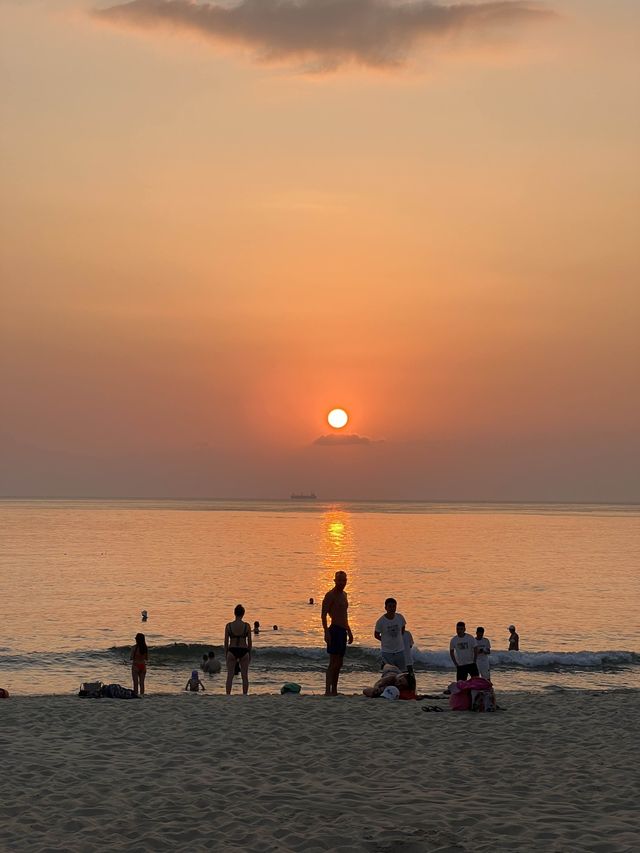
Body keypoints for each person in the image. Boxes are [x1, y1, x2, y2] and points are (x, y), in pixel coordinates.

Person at [321, 570, 353, 696]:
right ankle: (327, 690)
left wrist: (349, 631)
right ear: (335, 581)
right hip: (334, 629)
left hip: (343, 631)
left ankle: (334, 689)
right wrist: (326, 632)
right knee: (333, 662)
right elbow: (323, 615)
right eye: (339, 580)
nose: (342, 582)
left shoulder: (344, 595)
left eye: (344, 580)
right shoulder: (330, 595)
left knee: (339, 663)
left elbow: (345, 616)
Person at [224, 604, 252, 695]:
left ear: (234, 613)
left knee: (230, 676)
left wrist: (226, 654)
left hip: (232, 650)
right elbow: (250, 642)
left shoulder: (228, 626)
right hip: (244, 650)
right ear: (243, 614)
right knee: (245, 676)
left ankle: (228, 694)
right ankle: (244, 694)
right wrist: (249, 654)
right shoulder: (247, 626)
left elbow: (225, 642)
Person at [374, 598, 407, 670]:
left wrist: (400, 636)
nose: (392, 608)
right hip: (387, 652)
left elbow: (403, 626)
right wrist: (384, 640)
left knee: (402, 672)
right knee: (389, 673)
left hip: (399, 651)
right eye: (390, 606)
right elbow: (376, 635)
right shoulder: (381, 621)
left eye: (394, 606)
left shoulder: (400, 617)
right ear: (385, 607)